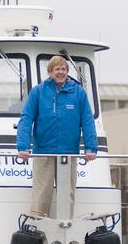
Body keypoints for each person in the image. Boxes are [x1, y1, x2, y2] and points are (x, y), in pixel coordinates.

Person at [16, 55, 98, 217]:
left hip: (68, 153)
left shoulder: (79, 93)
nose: (61, 72)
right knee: (41, 195)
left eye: (64, 69)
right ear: (50, 72)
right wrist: (23, 146)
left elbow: (88, 121)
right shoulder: (38, 92)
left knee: (66, 195)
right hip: (43, 153)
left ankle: (66, 228)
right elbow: (26, 118)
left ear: (67, 71)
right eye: (57, 69)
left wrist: (91, 147)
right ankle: (37, 228)